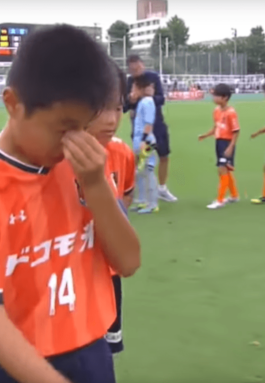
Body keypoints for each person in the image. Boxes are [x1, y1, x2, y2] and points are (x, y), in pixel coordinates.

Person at [0, 24, 140, 383]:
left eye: (83, 125)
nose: (75, 139)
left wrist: (94, 184)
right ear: (13, 104)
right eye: (63, 127)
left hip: (91, 352)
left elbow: (128, 261)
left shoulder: (87, 162)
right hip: (6, 365)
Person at [86, 66, 136, 355]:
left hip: (110, 269)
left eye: (118, 108)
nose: (112, 120)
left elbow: (125, 196)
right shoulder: (55, 159)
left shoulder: (121, 152)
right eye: (101, 108)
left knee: (106, 350)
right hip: (73, 271)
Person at [125, 55, 177, 202]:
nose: (136, 71)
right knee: (138, 158)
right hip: (139, 125)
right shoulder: (129, 82)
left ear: (142, 65)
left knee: (164, 155)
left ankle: (162, 188)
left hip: (157, 122)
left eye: (138, 67)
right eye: (133, 69)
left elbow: (161, 98)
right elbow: (124, 106)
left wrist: (148, 97)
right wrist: (131, 99)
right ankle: (132, 189)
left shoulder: (153, 77)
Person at [198, 83, 240, 210]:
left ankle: (220, 200)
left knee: (221, 169)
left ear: (225, 98)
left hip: (227, 143)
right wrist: (205, 135)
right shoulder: (216, 111)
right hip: (219, 142)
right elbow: (216, 127)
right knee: (225, 169)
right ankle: (234, 195)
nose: (213, 98)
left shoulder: (231, 113)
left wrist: (231, 146)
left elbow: (236, 131)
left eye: (216, 96)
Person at [131, 74, 159, 214]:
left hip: (146, 141)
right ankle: (142, 201)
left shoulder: (148, 102)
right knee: (139, 173)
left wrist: (143, 140)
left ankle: (152, 203)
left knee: (147, 171)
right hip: (139, 140)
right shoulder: (142, 102)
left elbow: (149, 124)